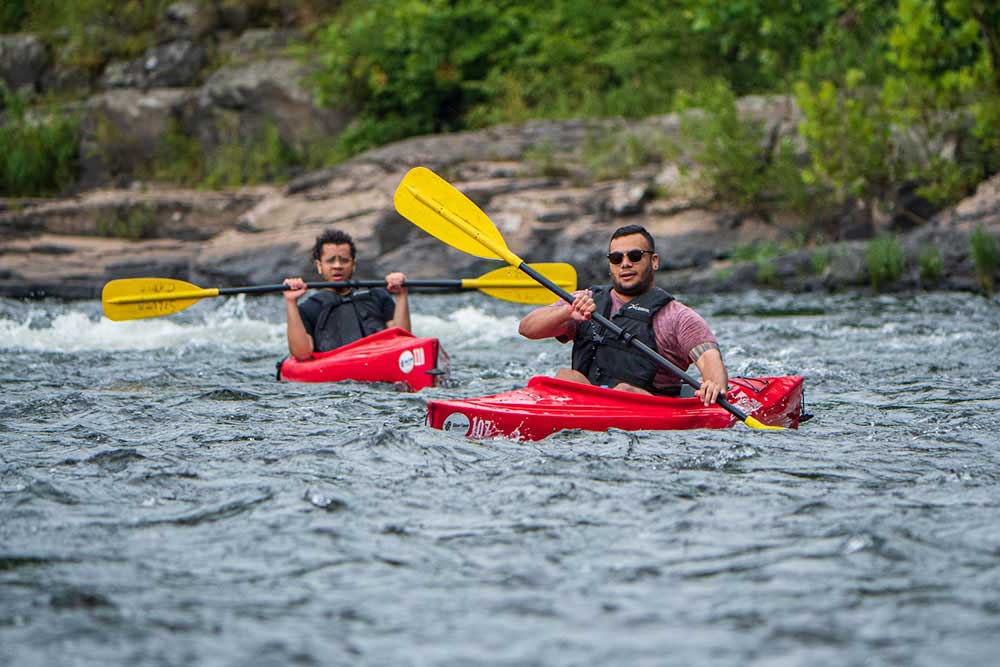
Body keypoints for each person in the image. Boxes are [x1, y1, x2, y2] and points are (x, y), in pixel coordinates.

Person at [518, 224, 728, 406]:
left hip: (647, 409)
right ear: (610, 266)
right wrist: (567, 312)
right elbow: (527, 328)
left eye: (635, 256)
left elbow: (709, 359)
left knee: (625, 390)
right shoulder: (584, 301)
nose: (625, 263)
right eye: (616, 258)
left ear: (654, 261)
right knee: (567, 376)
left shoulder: (678, 317)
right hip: (585, 406)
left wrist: (712, 383)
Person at [282, 229, 410, 361]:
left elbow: (402, 342)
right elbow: (302, 354)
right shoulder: (308, 309)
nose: (337, 266)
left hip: (378, 366)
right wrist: (291, 302)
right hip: (333, 374)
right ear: (319, 266)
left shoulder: (378, 297)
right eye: (330, 261)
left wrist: (401, 295)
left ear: (353, 265)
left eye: (344, 260)